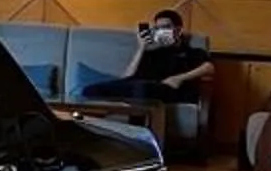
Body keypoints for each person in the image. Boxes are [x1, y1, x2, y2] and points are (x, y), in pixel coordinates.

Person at [83, 9, 213, 106]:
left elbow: (209, 67)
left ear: (178, 30)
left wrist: (178, 78)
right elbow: (127, 77)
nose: (161, 31)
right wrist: (141, 48)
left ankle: (138, 130)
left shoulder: (191, 52)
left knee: (141, 88)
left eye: (166, 27)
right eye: (157, 28)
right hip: (141, 87)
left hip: (169, 89)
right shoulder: (152, 53)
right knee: (90, 90)